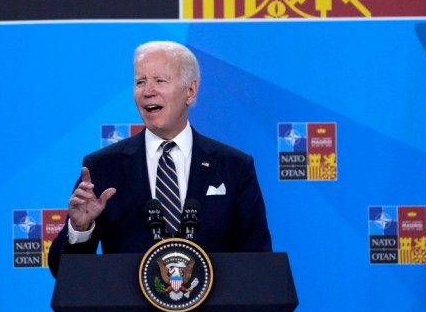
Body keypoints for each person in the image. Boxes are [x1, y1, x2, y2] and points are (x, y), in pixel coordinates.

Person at [48, 40, 272, 277]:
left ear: (191, 91)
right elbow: (64, 273)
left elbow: (258, 264)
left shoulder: (234, 167)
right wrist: (80, 228)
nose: (147, 91)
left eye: (160, 80)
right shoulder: (103, 167)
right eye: (140, 82)